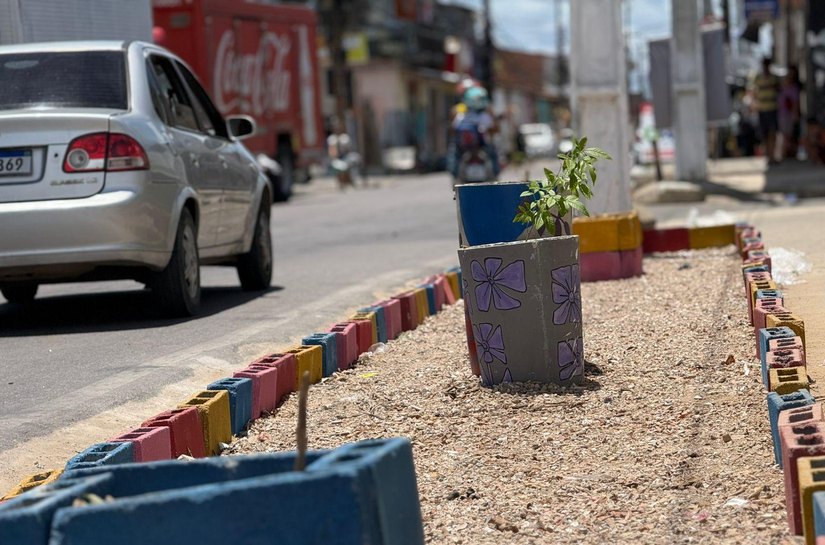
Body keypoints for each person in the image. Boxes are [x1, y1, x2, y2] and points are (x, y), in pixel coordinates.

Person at [451, 86, 499, 177]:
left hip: (465, 148)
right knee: (493, 155)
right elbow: (494, 129)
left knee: (454, 156)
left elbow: (454, 129)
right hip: (481, 146)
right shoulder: (484, 116)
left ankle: (455, 177)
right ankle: (495, 176)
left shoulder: (461, 115)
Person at [750, 57, 780, 164]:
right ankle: (768, 155)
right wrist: (753, 105)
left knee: (772, 133)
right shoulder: (758, 78)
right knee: (765, 134)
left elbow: (778, 91)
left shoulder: (774, 78)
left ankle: (772, 155)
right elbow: (752, 92)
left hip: (772, 108)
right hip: (762, 109)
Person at [778, 66, 801, 160]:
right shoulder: (782, 88)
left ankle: (791, 154)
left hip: (790, 114)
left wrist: (795, 114)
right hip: (782, 114)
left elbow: (795, 102)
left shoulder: (794, 88)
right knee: (785, 135)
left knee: (790, 135)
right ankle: (785, 154)